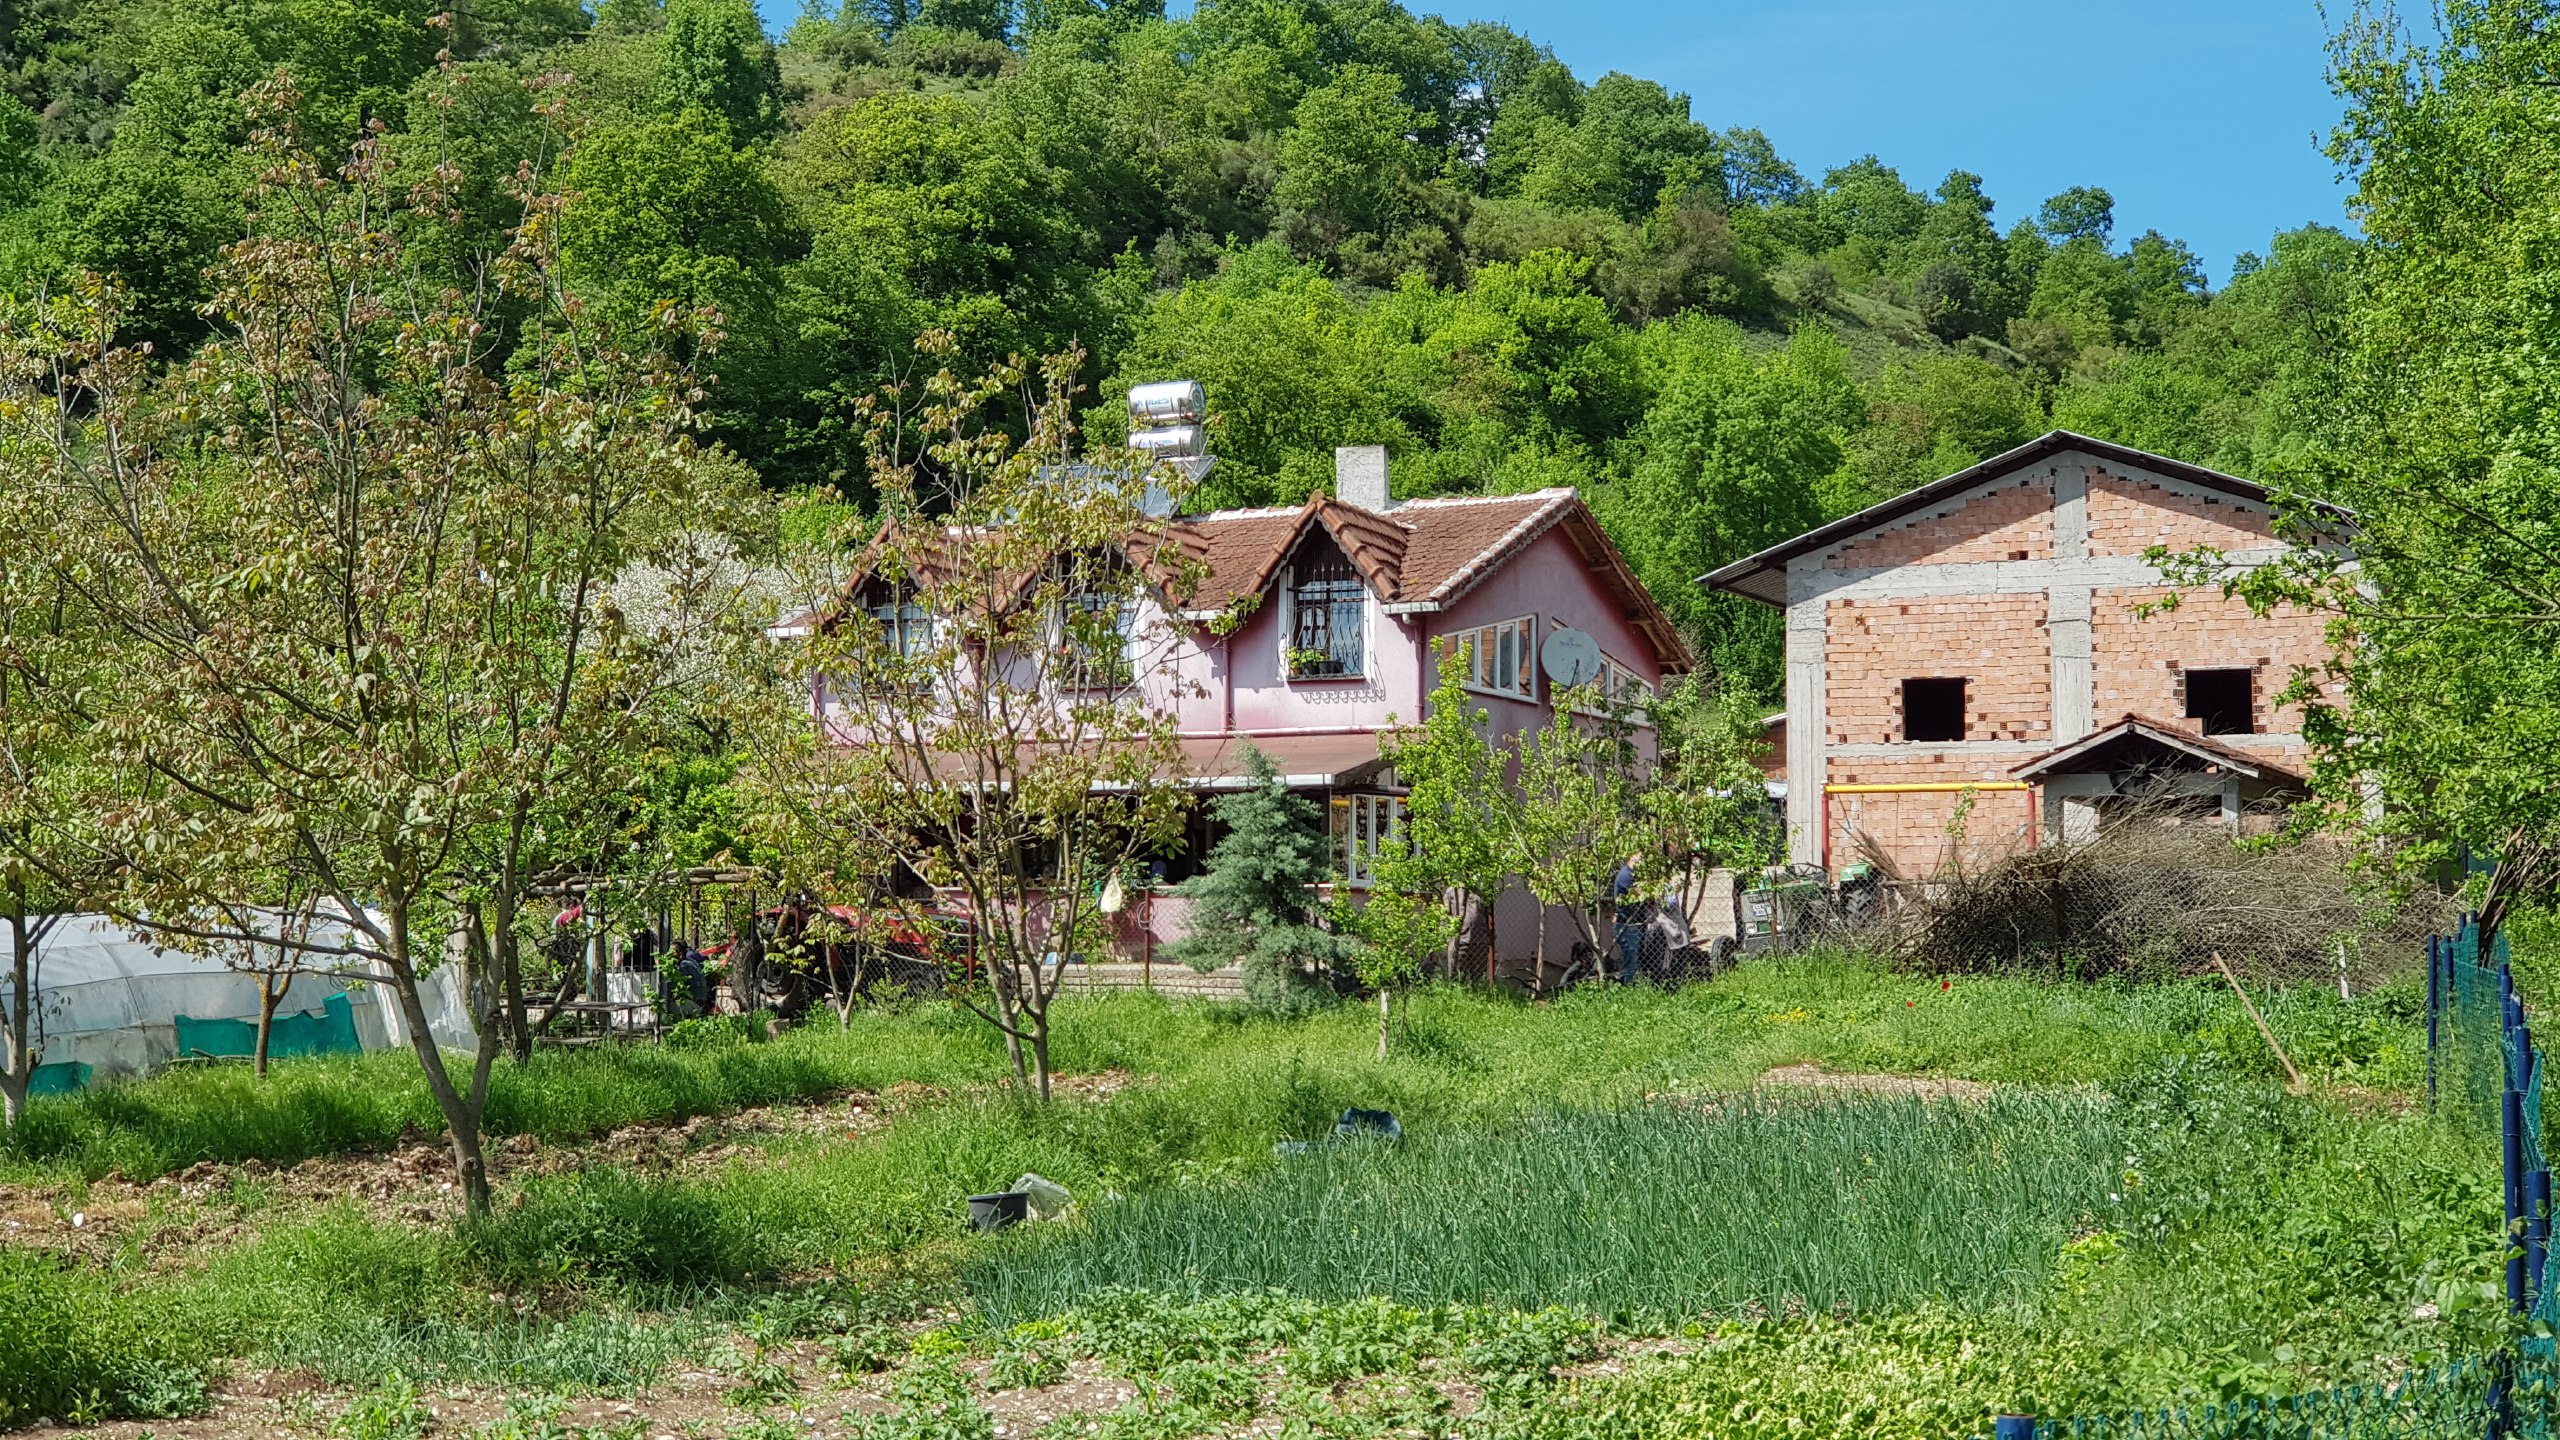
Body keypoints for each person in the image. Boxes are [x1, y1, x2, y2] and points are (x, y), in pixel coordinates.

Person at [1611, 853, 1644, 984]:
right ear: (1631, 856)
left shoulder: (1634, 874)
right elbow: (1639, 895)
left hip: (1633, 923)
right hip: (1627, 925)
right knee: (1631, 959)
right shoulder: (1626, 875)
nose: (1642, 859)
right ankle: (1627, 985)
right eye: (1639, 856)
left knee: (1634, 958)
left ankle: (1630, 984)